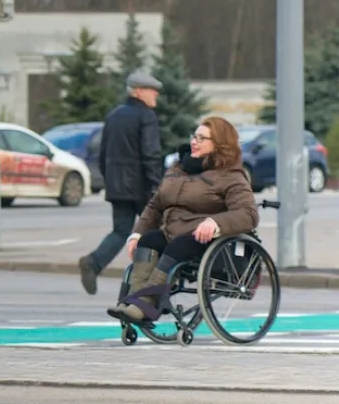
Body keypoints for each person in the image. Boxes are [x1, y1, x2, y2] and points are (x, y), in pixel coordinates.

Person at [107, 116, 258, 325]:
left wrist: (216, 223)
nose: (194, 141)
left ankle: (146, 303)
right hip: (173, 231)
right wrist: (136, 233)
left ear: (219, 145)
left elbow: (248, 214)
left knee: (177, 246)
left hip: (205, 238)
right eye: (194, 136)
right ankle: (134, 302)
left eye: (202, 138)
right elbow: (155, 206)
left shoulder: (230, 175)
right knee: (148, 241)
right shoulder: (178, 168)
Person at [78, 69, 163, 295]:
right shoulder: (146, 116)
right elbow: (150, 154)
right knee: (157, 232)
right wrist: (158, 187)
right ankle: (147, 284)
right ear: (138, 91)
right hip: (142, 188)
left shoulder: (114, 115)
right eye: (151, 90)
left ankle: (94, 263)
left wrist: (111, 180)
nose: (156, 94)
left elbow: (103, 153)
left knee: (121, 231)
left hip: (118, 187)